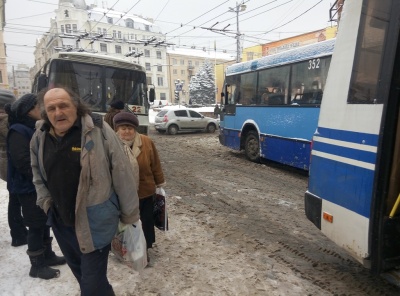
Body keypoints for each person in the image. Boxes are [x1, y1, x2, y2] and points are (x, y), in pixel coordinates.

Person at [31, 87, 139, 295]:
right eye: (51, 108)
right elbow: (37, 172)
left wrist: (130, 214)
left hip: (95, 222)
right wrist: (45, 203)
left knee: (91, 285)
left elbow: (122, 173)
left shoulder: (98, 130)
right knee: (83, 276)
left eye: (64, 106)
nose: (58, 113)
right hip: (61, 222)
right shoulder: (40, 136)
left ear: (77, 106)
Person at [5, 93, 66, 279]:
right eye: (37, 106)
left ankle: (47, 255)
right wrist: (42, 177)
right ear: (28, 110)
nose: (41, 108)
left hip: (39, 186)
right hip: (28, 188)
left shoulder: (34, 128)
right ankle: (37, 264)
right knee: (35, 225)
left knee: (44, 221)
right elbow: (23, 161)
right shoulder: (18, 130)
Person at [113, 111, 165, 265]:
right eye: (123, 128)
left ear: (135, 128)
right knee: (124, 223)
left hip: (144, 191)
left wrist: (160, 184)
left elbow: (155, 164)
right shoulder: (111, 143)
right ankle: (124, 249)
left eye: (130, 127)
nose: (127, 131)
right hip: (121, 194)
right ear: (117, 129)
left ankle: (144, 251)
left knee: (145, 222)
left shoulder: (146, 142)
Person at [0, 90, 27, 247]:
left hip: (6, 159)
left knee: (14, 198)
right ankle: (18, 234)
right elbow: (13, 136)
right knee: (15, 199)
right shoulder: (5, 120)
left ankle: (19, 231)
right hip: (8, 160)